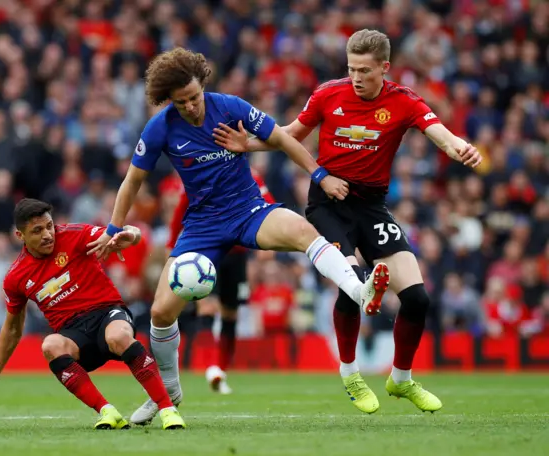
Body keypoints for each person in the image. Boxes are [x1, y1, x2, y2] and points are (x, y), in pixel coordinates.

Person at [87, 48, 390, 425]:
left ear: (203, 87)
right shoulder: (161, 126)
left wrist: (319, 175)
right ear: (170, 100)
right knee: (162, 312)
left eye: (195, 98)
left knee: (300, 229)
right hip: (201, 226)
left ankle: (359, 289)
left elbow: (282, 138)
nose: (192, 107)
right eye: (182, 103)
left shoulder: (229, 106)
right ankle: (168, 393)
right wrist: (114, 228)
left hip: (248, 209)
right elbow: (133, 180)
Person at [213, 29, 483, 414]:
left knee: (417, 298)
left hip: (371, 207)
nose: (356, 77)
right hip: (328, 203)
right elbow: (290, 135)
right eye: (351, 68)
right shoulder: (327, 94)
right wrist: (249, 144)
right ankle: (350, 373)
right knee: (351, 282)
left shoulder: (403, 101)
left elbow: (438, 132)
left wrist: (459, 146)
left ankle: (401, 379)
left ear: (385, 68)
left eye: (365, 71)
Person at [0, 198, 185, 430]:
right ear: (20, 236)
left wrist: (131, 235)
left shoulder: (76, 234)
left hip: (108, 314)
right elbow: (13, 328)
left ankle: (168, 409)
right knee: (50, 345)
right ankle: (108, 412)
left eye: (49, 226)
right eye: (37, 230)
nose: (48, 234)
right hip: (75, 334)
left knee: (118, 336)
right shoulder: (15, 277)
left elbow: (123, 233)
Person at [166, 168, 275, 394]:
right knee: (206, 306)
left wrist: (270, 242)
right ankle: (211, 367)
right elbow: (182, 207)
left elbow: (268, 202)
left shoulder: (249, 174)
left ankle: (220, 372)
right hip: (206, 249)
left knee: (230, 314)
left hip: (235, 254)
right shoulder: (202, 172)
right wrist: (172, 243)